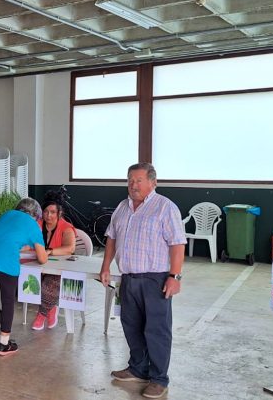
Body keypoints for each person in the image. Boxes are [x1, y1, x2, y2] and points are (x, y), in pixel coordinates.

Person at [99, 163, 186, 399]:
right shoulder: (122, 207)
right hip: (128, 278)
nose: (133, 185)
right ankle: (138, 368)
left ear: (152, 182)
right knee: (131, 325)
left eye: (138, 180)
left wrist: (174, 276)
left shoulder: (165, 208)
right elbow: (111, 238)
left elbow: (177, 244)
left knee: (156, 330)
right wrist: (105, 265)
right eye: (130, 180)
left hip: (155, 279)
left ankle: (159, 378)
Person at [0, 197, 48, 356]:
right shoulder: (33, 225)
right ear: (36, 215)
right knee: (8, 300)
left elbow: (4, 238)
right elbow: (42, 259)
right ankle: (3, 344)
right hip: (6, 259)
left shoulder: (7, 214)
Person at [31, 191, 77, 331]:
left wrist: (50, 251)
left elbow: (70, 248)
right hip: (39, 265)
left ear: (59, 213)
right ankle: (51, 308)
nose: (48, 215)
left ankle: (42, 314)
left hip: (60, 268)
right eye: (45, 212)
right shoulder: (37, 224)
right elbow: (27, 243)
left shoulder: (66, 227)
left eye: (52, 212)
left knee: (50, 281)